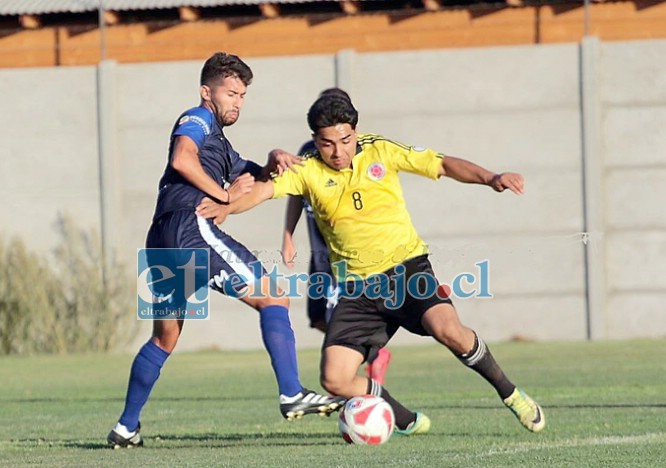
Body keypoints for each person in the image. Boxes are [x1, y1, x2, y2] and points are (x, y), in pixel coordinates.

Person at [197, 92, 546, 435]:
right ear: (315, 141)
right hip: (356, 291)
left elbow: (441, 164)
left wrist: (490, 178)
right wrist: (228, 207)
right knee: (334, 379)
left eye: (345, 140)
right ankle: (405, 419)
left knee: (450, 332)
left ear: (356, 131)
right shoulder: (308, 170)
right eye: (326, 143)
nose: (337, 151)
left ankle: (512, 395)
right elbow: (261, 192)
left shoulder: (381, 150)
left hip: (407, 272)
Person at [106, 53, 344, 449]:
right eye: (231, 92)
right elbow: (181, 158)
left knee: (164, 339)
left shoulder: (222, 146)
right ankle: (291, 393)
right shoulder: (195, 119)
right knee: (274, 295)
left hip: (162, 238)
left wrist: (272, 160)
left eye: (243, 95)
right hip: (189, 227)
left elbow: (253, 176)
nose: (237, 101)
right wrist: (222, 194)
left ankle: (126, 427)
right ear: (206, 91)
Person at [282, 88, 391, 385]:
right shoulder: (309, 150)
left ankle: (348, 382)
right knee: (317, 316)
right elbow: (296, 191)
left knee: (336, 320)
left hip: (343, 254)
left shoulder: (361, 153)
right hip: (318, 251)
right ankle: (372, 355)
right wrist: (288, 235)